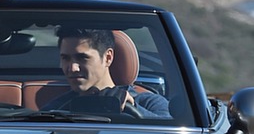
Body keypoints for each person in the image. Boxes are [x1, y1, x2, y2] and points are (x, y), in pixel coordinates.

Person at [42, 27, 170, 117]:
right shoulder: (56, 109)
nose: (72, 68)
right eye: (66, 58)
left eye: (83, 58)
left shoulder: (150, 103)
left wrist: (132, 107)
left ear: (108, 57)